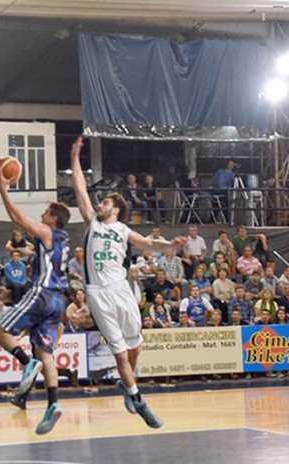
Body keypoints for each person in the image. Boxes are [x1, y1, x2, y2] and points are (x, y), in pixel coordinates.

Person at [70, 136, 185, 430]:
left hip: (121, 290)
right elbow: (80, 189)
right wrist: (74, 158)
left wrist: (171, 244)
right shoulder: (92, 223)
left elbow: (149, 243)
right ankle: (138, 398)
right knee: (119, 352)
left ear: (116, 209)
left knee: (135, 348)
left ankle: (127, 384)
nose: (100, 204)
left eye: (105, 202)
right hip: (98, 294)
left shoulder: (123, 230)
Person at [0, 159, 72, 436]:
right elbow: (46, 255)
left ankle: (27, 365)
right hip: (59, 301)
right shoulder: (63, 238)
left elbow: (17, 218)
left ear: (53, 219)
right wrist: (31, 252)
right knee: (45, 353)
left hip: (42, 294)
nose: (41, 214)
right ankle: (53, 404)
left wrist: (3, 188)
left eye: (46, 212)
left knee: (0, 332)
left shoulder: (47, 231)